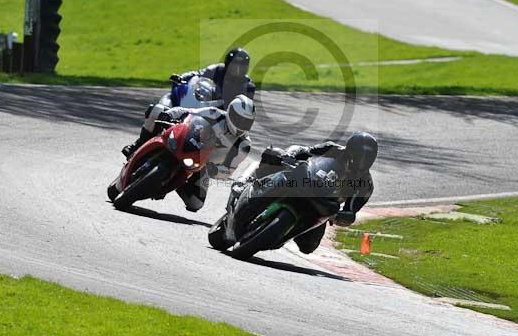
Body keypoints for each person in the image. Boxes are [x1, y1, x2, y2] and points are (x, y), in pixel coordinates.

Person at [233, 132, 378, 254]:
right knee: (274, 155)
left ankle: (280, 234)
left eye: (367, 157)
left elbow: (351, 211)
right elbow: (305, 150)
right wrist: (290, 155)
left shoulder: (365, 185)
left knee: (308, 247)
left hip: (323, 207)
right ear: (350, 149)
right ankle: (246, 183)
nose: (362, 160)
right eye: (359, 154)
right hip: (306, 182)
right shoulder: (333, 149)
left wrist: (344, 216)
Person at [123, 47, 256, 158]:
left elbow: (243, 106)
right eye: (234, 65)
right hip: (201, 103)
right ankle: (138, 144)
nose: (237, 70)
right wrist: (182, 77)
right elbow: (198, 74)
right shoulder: (217, 70)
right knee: (156, 110)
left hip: (218, 117)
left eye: (241, 67)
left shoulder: (247, 85)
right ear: (228, 63)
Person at [149, 95, 255, 213]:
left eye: (247, 122)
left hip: (201, 166)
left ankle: (175, 183)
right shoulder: (214, 114)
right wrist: (170, 114)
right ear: (230, 112)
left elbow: (228, 170)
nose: (242, 124)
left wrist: (214, 170)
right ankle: (138, 144)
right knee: (157, 109)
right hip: (185, 142)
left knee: (196, 203)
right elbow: (188, 112)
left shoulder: (243, 144)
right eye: (239, 119)